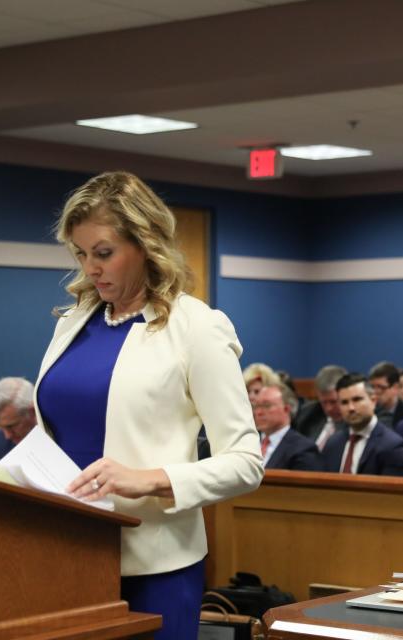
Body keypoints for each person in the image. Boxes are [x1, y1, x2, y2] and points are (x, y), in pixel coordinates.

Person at [36, 171, 263, 640]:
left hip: (153, 563)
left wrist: (151, 479)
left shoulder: (196, 327)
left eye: (104, 253)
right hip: (62, 554)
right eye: (80, 254)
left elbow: (246, 463)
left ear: (145, 245)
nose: (91, 268)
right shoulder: (74, 322)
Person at [321, 373, 403, 476]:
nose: (351, 408)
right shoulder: (333, 444)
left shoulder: (393, 447)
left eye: (357, 400)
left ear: (373, 401)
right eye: (344, 402)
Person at [253, 384, 322, 471]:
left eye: (267, 405)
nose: (258, 412)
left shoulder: (303, 449)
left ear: (286, 409)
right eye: (256, 406)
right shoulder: (247, 442)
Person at [0, 376, 37, 463]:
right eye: (1, 426)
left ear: (32, 412)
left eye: (11, 426)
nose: (7, 436)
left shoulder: (58, 440)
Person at [293, 364, 347, 450]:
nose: (328, 408)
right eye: (323, 402)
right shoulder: (308, 414)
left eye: (333, 402)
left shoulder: (356, 421)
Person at [368, 362, 403, 428]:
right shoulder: (367, 412)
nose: (375, 392)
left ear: (395, 388)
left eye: (380, 387)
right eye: (372, 387)